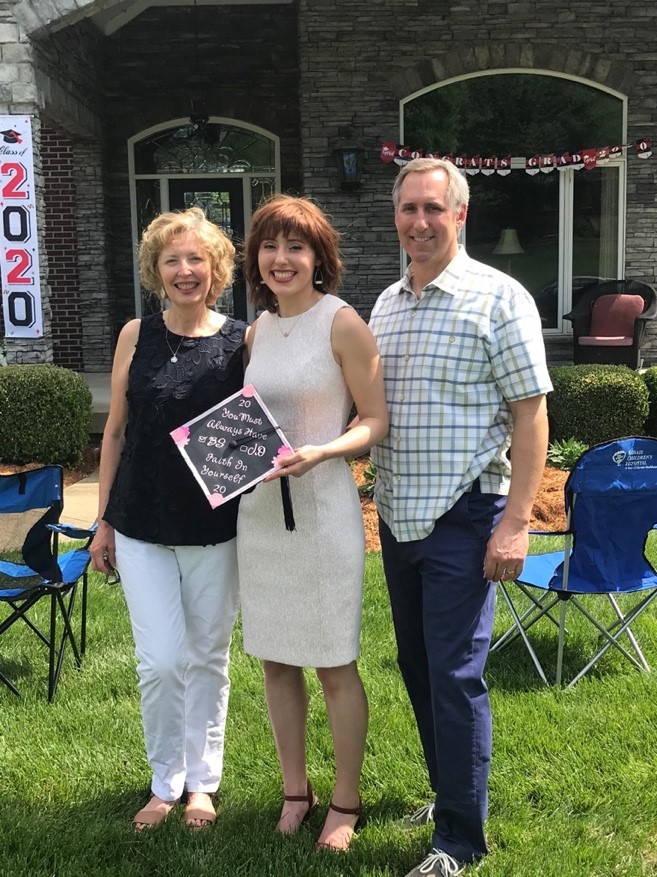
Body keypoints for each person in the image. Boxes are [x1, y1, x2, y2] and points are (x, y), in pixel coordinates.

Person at [368, 158, 552, 877]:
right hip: (397, 515)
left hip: (465, 513)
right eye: (408, 208)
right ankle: (449, 794)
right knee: (417, 665)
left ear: (460, 215)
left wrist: (516, 523)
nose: (419, 221)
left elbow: (530, 415)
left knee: (455, 673)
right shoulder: (386, 304)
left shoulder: (498, 298)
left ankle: (458, 841)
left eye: (433, 209)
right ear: (395, 217)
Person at [236, 195, 388, 851]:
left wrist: (324, 450)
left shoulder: (342, 322)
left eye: (295, 247)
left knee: (333, 664)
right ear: (256, 259)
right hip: (261, 516)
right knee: (275, 660)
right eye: (270, 247)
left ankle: (346, 801)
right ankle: (294, 790)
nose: (282, 259)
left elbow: (374, 419)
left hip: (323, 513)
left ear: (318, 257)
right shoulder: (256, 331)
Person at [90, 207, 248, 831]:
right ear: (156, 271)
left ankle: (201, 784)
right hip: (140, 522)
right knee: (159, 661)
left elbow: (256, 429)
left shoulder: (242, 340)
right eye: (172, 260)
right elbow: (115, 432)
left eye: (196, 259)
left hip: (214, 526)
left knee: (207, 656)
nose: (185, 270)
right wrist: (103, 521)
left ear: (216, 269)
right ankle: (164, 781)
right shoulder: (135, 334)